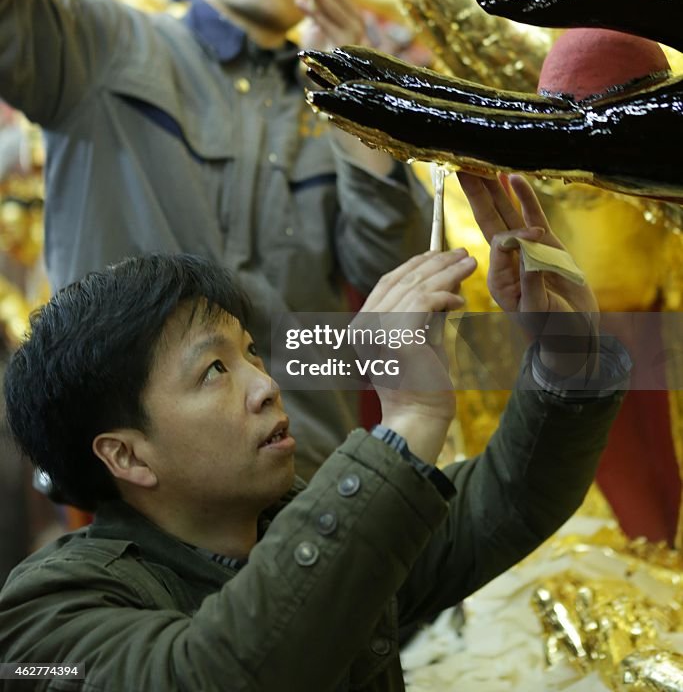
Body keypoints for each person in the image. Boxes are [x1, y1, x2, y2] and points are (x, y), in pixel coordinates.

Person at [0, 172, 629, 691]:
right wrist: (406, 418)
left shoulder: (289, 518)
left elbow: (507, 504)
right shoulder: (48, 617)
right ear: (126, 456)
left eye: (251, 354)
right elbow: (208, 675)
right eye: (214, 369)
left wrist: (564, 353)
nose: (265, 384)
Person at [0, 0, 432, 478]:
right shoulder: (106, 43)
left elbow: (393, 285)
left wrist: (356, 98)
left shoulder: (335, 115)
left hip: (303, 481)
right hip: (131, 474)